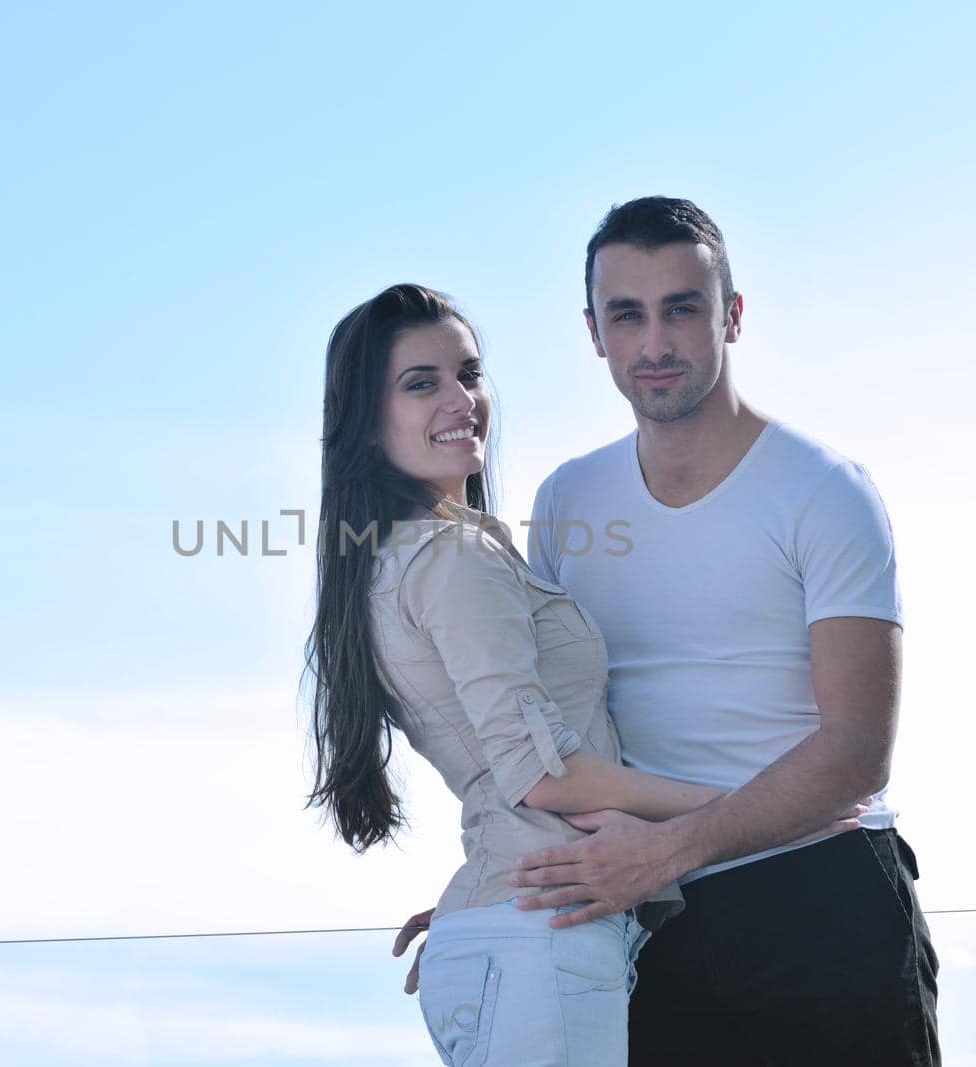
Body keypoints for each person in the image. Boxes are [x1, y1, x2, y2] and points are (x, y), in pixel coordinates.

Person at [305, 283, 855, 1067]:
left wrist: (487, 903)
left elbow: (502, 764)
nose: (462, 399)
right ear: (364, 423)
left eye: (469, 372)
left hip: (521, 923)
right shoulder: (450, 556)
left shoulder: (405, 556)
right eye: (420, 383)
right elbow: (545, 774)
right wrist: (763, 809)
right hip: (540, 935)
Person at [503, 197, 940, 1065]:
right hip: (645, 923)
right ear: (594, 332)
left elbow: (857, 750)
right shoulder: (565, 502)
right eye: (627, 314)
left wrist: (666, 849)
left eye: (683, 307)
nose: (655, 343)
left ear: (731, 314)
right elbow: (544, 729)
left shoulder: (825, 492)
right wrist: (486, 889)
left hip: (824, 901)